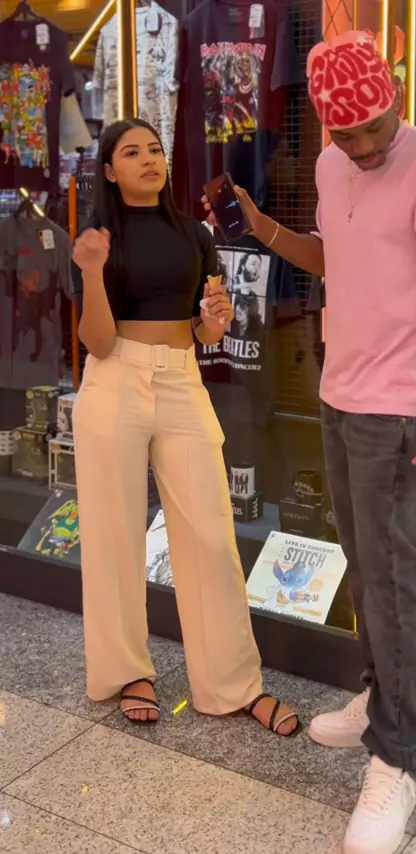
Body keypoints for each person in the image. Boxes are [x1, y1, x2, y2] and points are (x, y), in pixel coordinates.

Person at [204, 31, 416, 854]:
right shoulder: (332, 166)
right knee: (365, 567)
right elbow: (340, 258)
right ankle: (379, 697)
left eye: (374, 129)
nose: (362, 147)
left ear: (395, 98)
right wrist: (263, 229)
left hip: (404, 409)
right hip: (341, 391)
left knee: (395, 582)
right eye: (345, 133)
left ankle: (399, 757)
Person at [71, 117, 299, 738]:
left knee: (210, 533)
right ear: (109, 170)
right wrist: (91, 272)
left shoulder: (195, 233)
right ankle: (126, 674)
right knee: (114, 535)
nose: (149, 159)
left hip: (180, 377)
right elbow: (97, 342)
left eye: (155, 149)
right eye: (131, 152)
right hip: (114, 378)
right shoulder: (96, 238)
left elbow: (204, 330)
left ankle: (232, 684)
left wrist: (213, 323)